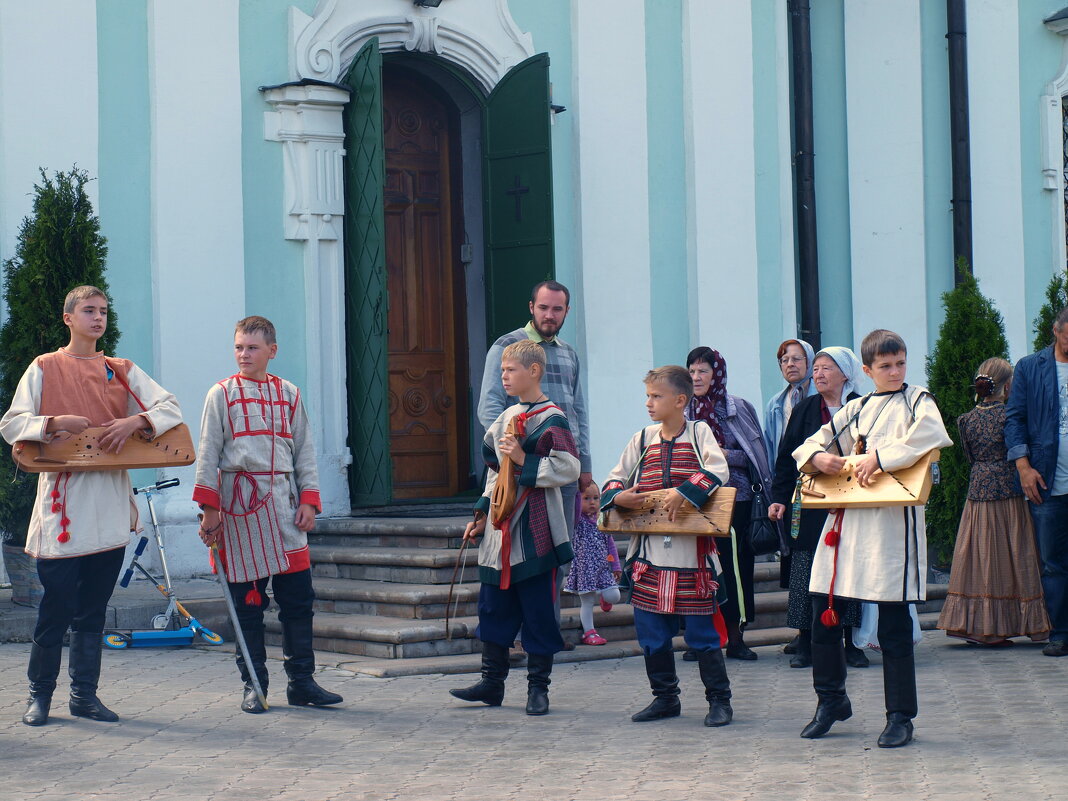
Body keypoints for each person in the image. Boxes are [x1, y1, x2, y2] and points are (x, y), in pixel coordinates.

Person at [0, 285, 183, 727]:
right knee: (55, 609)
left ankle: (84, 697)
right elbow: (11, 424)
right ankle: (39, 697)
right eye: (88, 311)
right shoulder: (44, 366)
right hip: (63, 505)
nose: (97, 318)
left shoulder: (120, 370)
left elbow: (170, 407)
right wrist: (52, 423)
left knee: (92, 610)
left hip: (109, 505)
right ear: (69, 318)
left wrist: (136, 420)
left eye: (103, 311)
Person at [792, 330, 952, 748]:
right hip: (845, 526)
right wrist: (819, 458)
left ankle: (900, 716)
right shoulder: (856, 408)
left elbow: (931, 434)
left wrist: (881, 457)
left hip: (891, 526)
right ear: (867, 370)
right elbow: (809, 445)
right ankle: (831, 700)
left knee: (894, 621)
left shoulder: (918, 400)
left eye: (900, 363)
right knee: (823, 611)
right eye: (885, 366)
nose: (895, 371)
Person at [193, 316, 342, 713]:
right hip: (239, 510)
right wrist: (210, 511)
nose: (244, 354)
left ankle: (303, 683)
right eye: (239, 346)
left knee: (298, 600)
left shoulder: (290, 393)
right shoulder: (220, 394)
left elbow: (304, 450)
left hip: (285, 507)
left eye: (253, 348)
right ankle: (254, 684)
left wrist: (309, 500)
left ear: (272, 351)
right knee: (247, 604)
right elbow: (208, 453)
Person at [450, 340, 580, 715]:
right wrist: (479, 515)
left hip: (536, 531)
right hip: (499, 529)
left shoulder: (553, 418)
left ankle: (538, 689)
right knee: (493, 608)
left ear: (533, 371)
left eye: (511, 370)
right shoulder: (505, 418)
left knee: (538, 611)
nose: (503, 376)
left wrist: (525, 458)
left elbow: (568, 467)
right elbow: (495, 472)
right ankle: (492, 684)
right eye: (503, 370)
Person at [602, 366, 734, 727]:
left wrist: (684, 491)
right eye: (647, 396)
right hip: (648, 555)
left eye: (656, 396)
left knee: (702, 634)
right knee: (651, 633)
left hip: (692, 555)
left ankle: (719, 701)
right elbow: (614, 478)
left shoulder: (699, 432)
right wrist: (620, 498)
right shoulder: (643, 439)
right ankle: (665, 699)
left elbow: (718, 470)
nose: (649, 403)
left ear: (680, 400)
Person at [938, 359, 1051, 645]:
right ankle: (1024, 622)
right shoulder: (1010, 416)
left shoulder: (966, 420)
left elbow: (970, 456)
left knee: (979, 556)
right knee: (1016, 553)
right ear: (1008, 386)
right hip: (1009, 488)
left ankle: (978, 625)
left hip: (978, 490)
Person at [768, 347, 866, 669]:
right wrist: (779, 497)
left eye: (826, 368)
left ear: (845, 373)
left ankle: (852, 643)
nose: (818, 374)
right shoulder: (806, 408)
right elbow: (787, 456)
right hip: (810, 501)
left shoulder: (862, 407)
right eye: (817, 369)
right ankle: (806, 643)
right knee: (806, 568)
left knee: (848, 568)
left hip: (851, 501)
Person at [684, 346, 772, 661]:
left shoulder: (737, 407)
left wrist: (722, 455)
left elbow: (755, 457)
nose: (696, 377)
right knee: (697, 570)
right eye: (692, 371)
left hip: (737, 501)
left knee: (735, 570)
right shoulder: (684, 409)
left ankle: (736, 639)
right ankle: (701, 640)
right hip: (694, 502)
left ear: (716, 373)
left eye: (702, 371)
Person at [1005, 306, 1068, 657]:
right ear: (1055, 331)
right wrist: (1023, 467)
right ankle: (1060, 632)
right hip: (1046, 480)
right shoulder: (1030, 367)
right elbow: (1014, 420)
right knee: (1054, 562)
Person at [564, 483, 623, 645]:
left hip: (603, 568)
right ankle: (589, 632)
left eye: (596, 498)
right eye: (586, 498)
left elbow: (610, 544)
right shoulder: (577, 521)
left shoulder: (601, 520)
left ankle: (604, 597)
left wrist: (616, 566)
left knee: (615, 596)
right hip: (584, 570)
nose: (592, 502)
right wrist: (576, 490)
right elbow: (574, 508)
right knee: (588, 602)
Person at [764, 339, 818, 467]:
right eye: (784, 360)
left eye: (796, 359)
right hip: (787, 474)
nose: (790, 364)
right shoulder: (775, 404)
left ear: (809, 361)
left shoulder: (822, 396)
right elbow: (770, 447)